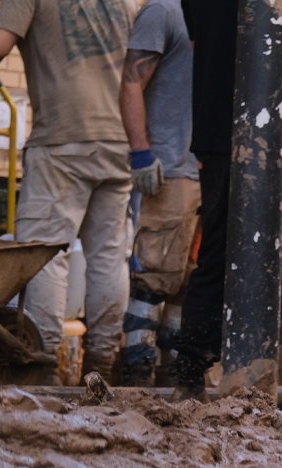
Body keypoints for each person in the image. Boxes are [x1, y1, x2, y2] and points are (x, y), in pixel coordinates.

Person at [172, 0, 282, 400]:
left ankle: (191, 372)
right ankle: (251, 373)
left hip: (216, 134)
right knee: (276, 256)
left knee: (216, 249)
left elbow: (201, 47)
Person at [0, 0, 134, 383]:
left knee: (44, 255)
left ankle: (42, 366)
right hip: (120, 141)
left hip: (61, 143)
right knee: (109, 260)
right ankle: (101, 369)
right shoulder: (127, 3)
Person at [117, 0, 201, 387]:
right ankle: (137, 377)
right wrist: (141, 152)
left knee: (187, 281)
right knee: (153, 278)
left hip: (205, 169)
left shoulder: (226, 16)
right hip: (168, 167)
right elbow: (132, 80)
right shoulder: (164, 11)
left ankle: (174, 383)